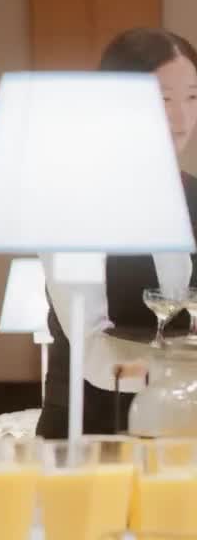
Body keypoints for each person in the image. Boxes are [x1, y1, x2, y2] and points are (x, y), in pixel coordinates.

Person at [37, 27, 197, 438]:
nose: (181, 119)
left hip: (180, 435)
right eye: (162, 99)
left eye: (192, 97)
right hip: (91, 434)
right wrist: (182, 374)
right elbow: (92, 350)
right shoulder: (73, 203)